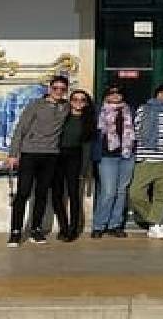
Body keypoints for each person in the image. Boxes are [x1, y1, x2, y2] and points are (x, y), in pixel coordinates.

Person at [5, 76, 71, 248]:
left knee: (42, 194)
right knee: (23, 193)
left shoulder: (66, 107)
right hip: (30, 153)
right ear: (49, 89)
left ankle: (36, 229)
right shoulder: (35, 105)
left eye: (62, 89)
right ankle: (15, 231)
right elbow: (21, 128)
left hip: (51, 155)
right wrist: (13, 154)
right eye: (55, 88)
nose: (58, 91)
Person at [128, 83, 163, 239]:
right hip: (147, 158)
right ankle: (154, 220)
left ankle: (155, 226)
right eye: (162, 93)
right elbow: (136, 131)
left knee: (161, 195)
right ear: (156, 94)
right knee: (135, 193)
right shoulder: (144, 109)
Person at [51, 88, 96, 242]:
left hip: (75, 157)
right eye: (75, 99)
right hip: (57, 156)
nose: (78, 102)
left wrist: (84, 168)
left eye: (82, 100)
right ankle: (63, 226)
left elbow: (87, 146)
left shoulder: (88, 120)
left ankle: (73, 228)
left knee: (73, 194)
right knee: (57, 194)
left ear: (86, 103)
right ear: (70, 101)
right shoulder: (62, 117)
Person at [90, 85, 135, 238]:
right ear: (106, 95)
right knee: (108, 192)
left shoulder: (130, 110)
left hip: (126, 154)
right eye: (112, 93)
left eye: (119, 93)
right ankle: (99, 225)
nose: (116, 96)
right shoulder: (98, 111)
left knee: (121, 191)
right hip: (106, 155)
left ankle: (115, 224)